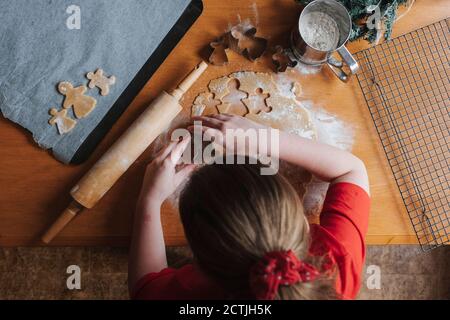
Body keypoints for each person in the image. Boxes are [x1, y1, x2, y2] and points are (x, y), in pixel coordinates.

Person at [128, 114, 370, 300]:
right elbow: (352, 170)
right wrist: (263, 138)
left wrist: (149, 200)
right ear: (303, 224)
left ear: (200, 265)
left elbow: (145, 288)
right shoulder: (334, 271)